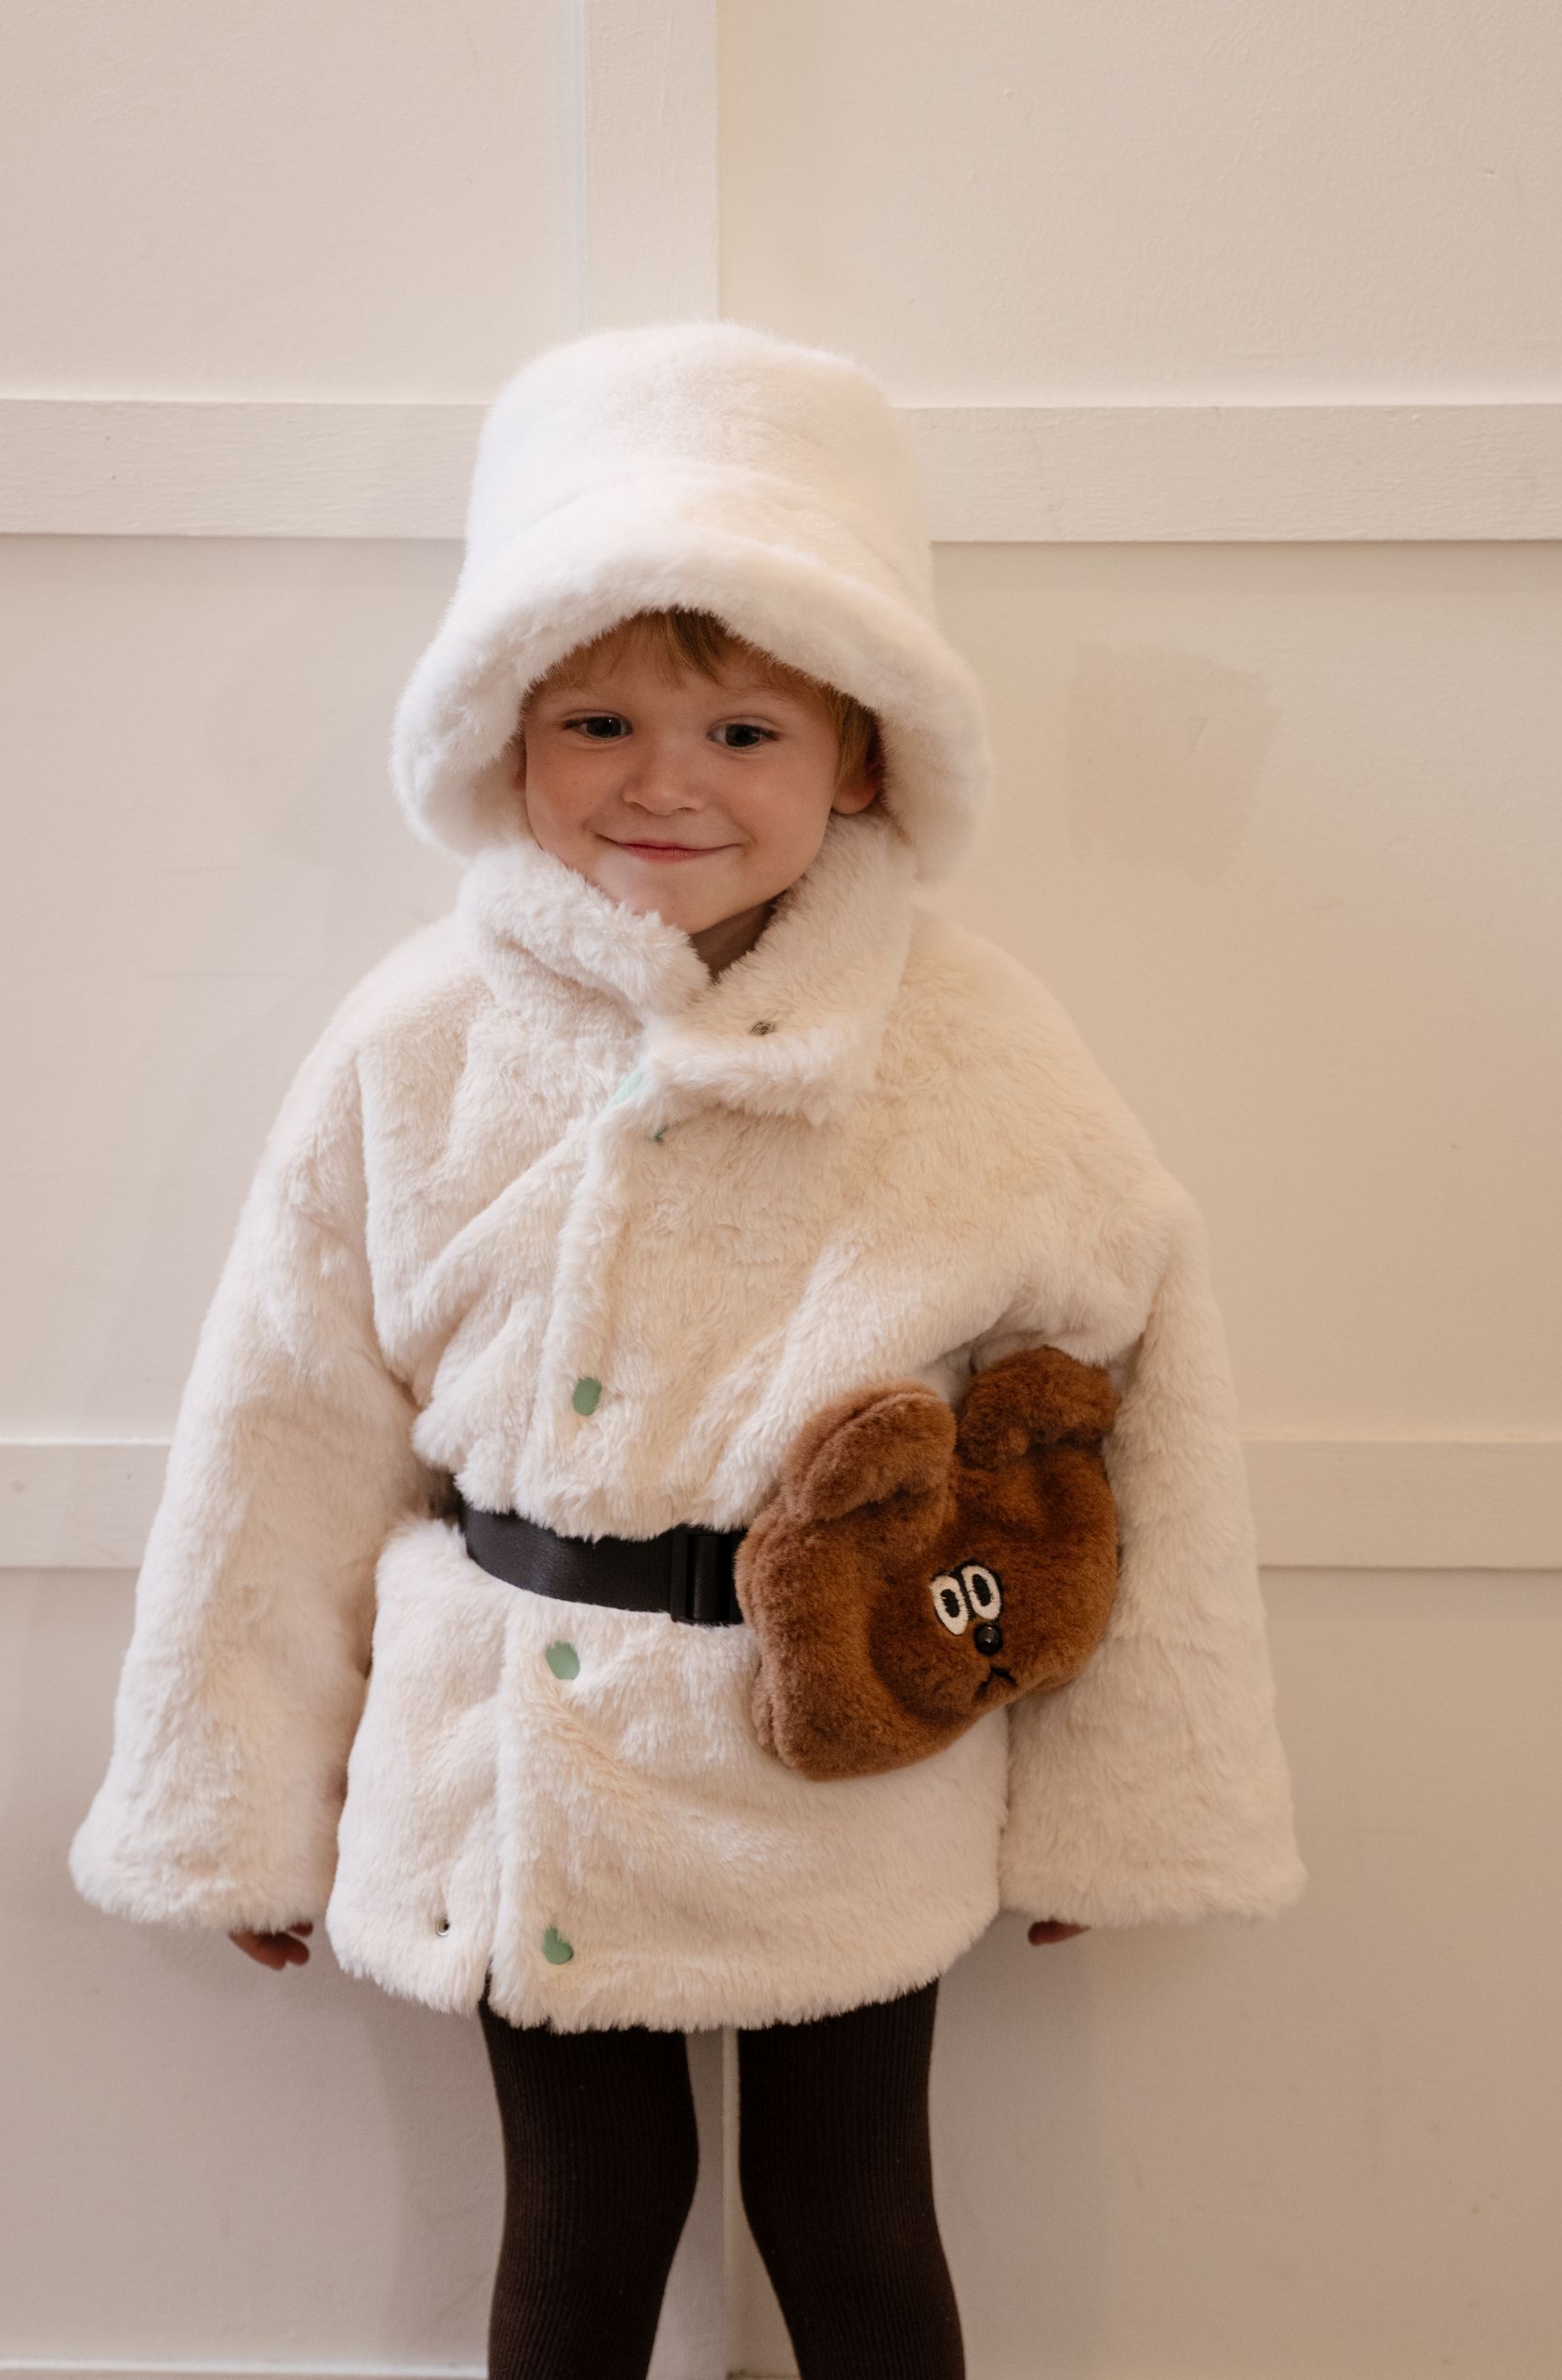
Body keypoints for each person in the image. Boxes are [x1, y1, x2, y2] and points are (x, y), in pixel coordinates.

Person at [70, 320, 1306, 2379]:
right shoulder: (419, 1040)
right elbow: (284, 1426)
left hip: (856, 1748)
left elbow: (1137, 1408)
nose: (664, 781)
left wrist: (1115, 1792)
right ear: (505, 731)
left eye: (743, 729)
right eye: (599, 720)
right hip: (521, 1759)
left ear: (863, 756)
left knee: (853, 2212)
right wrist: (241, 1800)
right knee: (584, 2216)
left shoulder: (973, 1047)